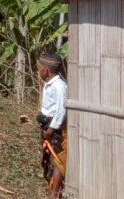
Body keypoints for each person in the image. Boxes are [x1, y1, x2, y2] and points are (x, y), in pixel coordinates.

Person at [36, 53, 67, 199]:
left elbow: (61, 112)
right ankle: (51, 189)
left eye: (39, 68)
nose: (38, 71)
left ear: (46, 70)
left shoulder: (59, 86)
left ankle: (55, 194)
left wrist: (50, 130)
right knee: (47, 160)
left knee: (57, 160)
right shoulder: (50, 84)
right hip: (47, 126)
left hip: (54, 130)